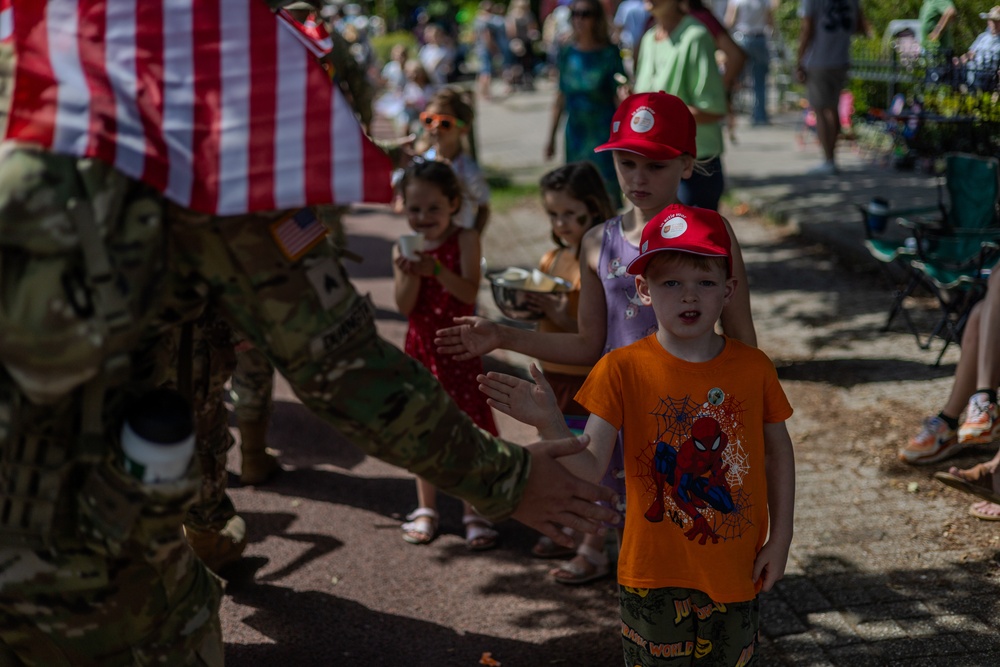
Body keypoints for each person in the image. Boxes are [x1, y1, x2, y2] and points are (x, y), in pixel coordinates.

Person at [0, 28, 621, 667]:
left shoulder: (31, 58)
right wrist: (509, 478)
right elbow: (340, 367)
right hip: (79, 551)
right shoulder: (198, 132)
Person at [436, 91, 758, 584]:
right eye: (627, 164)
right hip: (619, 406)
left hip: (690, 412)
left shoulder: (713, 234)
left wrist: (748, 412)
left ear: (687, 165)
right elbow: (590, 345)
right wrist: (502, 335)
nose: (637, 178)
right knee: (630, 513)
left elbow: (741, 334)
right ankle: (627, 585)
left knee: (693, 524)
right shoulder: (597, 242)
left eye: (653, 165)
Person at [478, 203, 795, 665]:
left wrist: (780, 539)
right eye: (671, 283)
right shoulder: (619, 369)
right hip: (650, 576)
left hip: (735, 571)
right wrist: (548, 421)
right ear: (643, 290)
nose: (689, 296)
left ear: (728, 290)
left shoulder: (753, 367)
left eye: (705, 282)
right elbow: (589, 467)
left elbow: (779, 455)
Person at [392, 160, 501, 550]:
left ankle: (474, 508)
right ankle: (427, 507)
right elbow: (405, 306)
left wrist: (435, 269)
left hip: (459, 346)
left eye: (433, 208)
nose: (422, 218)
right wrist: (409, 272)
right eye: (414, 209)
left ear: (454, 204)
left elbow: (467, 293)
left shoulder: (466, 239)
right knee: (424, 427)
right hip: (421, 348)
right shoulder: (402, 248)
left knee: (468, 427)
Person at [523, 162, 617, 563]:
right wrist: (528, 306)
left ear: (593, 209)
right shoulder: (552, 258)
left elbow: (590, 331)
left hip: (586, 382)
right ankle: (566, 526)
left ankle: (592, 546)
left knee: (595, 466)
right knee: (560, 462)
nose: (560, 223)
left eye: (569, 213)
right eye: (553, 214)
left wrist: (555, 311)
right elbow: (544, 319)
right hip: (553, 380)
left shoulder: (600, 260)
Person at [629, 0, 730, 211]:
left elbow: (712, 110)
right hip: (656, 162)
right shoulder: (649, 38)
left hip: (694, 164)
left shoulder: (696, 36)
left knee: (692, 241)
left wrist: (655, 113)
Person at [545, 0, 624, 208]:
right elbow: (560, 96)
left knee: (606, 194)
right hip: (576, 134)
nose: (579, 19)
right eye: (575, 14)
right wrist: (551, 136)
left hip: (603, 133)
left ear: (596, 18)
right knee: (577, 191)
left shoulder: (609, 53)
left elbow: (620, 96)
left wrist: (627, 134)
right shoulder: (567, 53)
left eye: (585, 14)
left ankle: (610, 237)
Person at [796, 0, 868, 175]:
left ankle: (829, 160)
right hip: (841, 58)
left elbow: (807, 28)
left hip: (818, 60)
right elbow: (860, 25)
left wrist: (799, 60)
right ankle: (831, 159)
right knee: (832, 108)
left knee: (821, 110)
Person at [418, 86, 492, 234]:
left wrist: (472, 241)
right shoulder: (422, 162)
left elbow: (483, 208)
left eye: (445, 123)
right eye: (429, 120)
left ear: (463, 129)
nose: (435, 127)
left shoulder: (470, 171)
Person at [725, 0, 773, 126]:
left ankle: (729, 113)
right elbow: (770, 20)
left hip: (742, 39)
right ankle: (760, 116)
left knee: (734, 79)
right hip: (760, 39)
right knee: (760, 80)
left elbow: (730, 21)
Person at [953, 7, 1000, 91]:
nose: (994, 24)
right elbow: (971, 53)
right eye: (991, 21)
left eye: (996, 21)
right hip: (973, 71)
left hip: (990, 75)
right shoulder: (982, 37)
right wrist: (959, 60)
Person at [613, 0, 650, 75]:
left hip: (644, 45)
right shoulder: (626, 5)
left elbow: (618, 26)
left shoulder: (648, 5)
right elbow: (619, 26)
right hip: (628, 46)